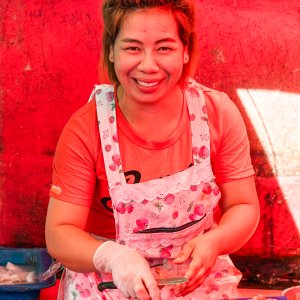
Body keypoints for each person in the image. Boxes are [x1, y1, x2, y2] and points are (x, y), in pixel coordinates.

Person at [45, 0, 261, 299]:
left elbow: (244, 206)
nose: (148, 65)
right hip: (107, 284)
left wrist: (215, 242)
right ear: (111, 50)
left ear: (185, 51)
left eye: (164, 48)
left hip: (195, 280)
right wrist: (117, 258)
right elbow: (59, 233)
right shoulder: (86, 129)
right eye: (133, 48)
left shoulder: (217, 112)